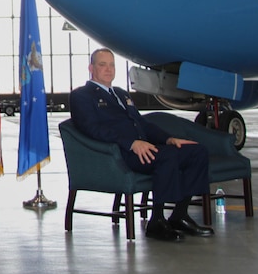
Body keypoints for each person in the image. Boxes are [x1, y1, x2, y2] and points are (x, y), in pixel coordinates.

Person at [69, 48, 214, 242]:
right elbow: (92, 129)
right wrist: (130, 143)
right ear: (91, 68)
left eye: (112, 65)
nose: (108, 69)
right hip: (119, 154)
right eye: (102, 65)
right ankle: (157, 221)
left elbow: (143, 124)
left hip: (143, 148)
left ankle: (180, 215)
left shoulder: (120, 94)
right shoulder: (82, 96)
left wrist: (169, 139)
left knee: (196, 152)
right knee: (168, 157)